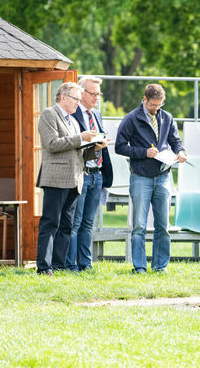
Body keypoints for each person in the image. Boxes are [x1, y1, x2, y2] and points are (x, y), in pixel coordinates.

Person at [115, 84, 187, 274]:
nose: (156, 108)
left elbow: (175, 141)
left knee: (163, 226)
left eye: (159, 105)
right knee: (138, 225)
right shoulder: (131, 119)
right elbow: (120, 147)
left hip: (163, 176)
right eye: (153, 105)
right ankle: (139, 267)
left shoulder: (167, 117)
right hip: (141, 177)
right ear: (145, 99)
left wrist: (180, 151)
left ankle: (160, 266)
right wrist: (143, 153)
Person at [35, 82, 98, 275]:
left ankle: (59, 265)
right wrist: (81, 138)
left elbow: (77, 152)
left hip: (74, 178)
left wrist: (94, 147)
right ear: (63, 97)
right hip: (55, 178)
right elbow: (53, 144)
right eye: (75, 99)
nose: (78, 103)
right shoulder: (49, 114)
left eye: (80, 100)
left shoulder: (74, 121)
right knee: (50, 222)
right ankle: (44, 267)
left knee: (66, 225)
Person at [66, 76, 113, 272]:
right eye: (93, 93)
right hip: (81, 173)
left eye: (98, 94)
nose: (96, 97)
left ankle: (85, 264)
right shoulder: (73, 114)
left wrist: (102, 144)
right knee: (75, 223)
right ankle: (71, 264)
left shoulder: (97, 115)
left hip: (97, 174)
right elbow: (73, 144)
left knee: (88, 223)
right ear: (82, 93)